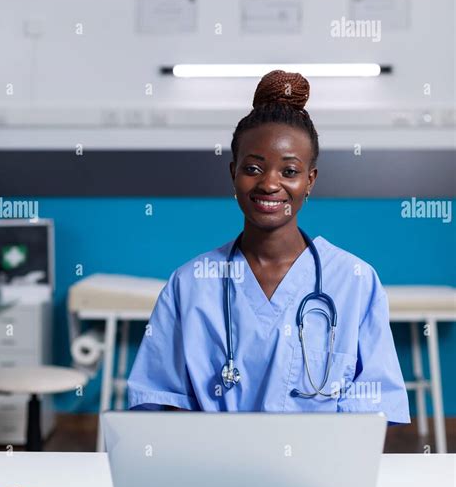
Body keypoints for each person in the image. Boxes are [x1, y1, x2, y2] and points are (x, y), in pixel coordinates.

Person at [127, 70, 410, 424]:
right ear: (233, 173)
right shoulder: (189, 283)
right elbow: (160, 400)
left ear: (310, 180)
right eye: (253, 168)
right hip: (214, 469)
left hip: (318, 469)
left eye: (289, 171)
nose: (269, 183)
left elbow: (374, 408)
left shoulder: (355, 281)